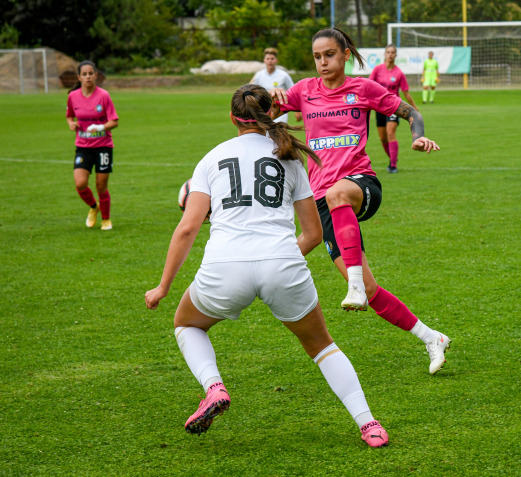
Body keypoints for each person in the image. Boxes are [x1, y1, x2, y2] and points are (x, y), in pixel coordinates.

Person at [144, 84, 389, 448]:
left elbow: (188, 228)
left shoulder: (211, 158)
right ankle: (369, 425)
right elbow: (312, 232)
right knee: (322, 347)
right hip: (283, 263)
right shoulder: (290, 158)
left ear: (232, 119)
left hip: (224, 266)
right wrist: (277, 259)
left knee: (186, 325)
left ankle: (214, 387)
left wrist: (162, 287)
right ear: (272, 114)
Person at [269, 28, 452, 375]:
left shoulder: (364, 89)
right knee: (370, 289)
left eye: (330, 55)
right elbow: (263, 107)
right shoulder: (305, 90)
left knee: (339, 192)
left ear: (345, 55)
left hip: (360, 185)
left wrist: (419, 136)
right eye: (317, 56)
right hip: (323, 201)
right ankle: (432, 337)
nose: (323, 62)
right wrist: (272, 95)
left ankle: (352, 285)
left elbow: (411, 112)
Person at [65, 60, 119, 230]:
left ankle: (106, 219)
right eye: (84, 74)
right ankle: (94, 207)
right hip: (83, 146)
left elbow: (114, 121)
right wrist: (71, 123)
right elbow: (69, 116)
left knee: (101, 185)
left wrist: (101, 127)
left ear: (96, 75)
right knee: (80, 184)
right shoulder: (73, 96)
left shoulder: (103, 96)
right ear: (79, 77)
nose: (88, 77)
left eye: (91, 73)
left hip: (103, 146)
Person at [368, 44, 418, 173]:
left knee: (390, 133)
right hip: (378, 107)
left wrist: (414, 108)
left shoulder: (399, 73)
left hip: (393, 107)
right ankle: (392, 158)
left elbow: (406, 92)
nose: (390, 55)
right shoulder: (377, 70)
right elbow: (368, 86)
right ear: (385, 54)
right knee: (383, 138)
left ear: (395, 55)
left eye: (392, 52)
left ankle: (393, 165)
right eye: (388, 52)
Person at [249, 47, 303, 124]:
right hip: (264, 109)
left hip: (280, 110)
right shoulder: (259, 75)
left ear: (276, 60)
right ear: (264, 60)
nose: (270, 61)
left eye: (272, 59)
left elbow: (294, 91)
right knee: (266, 134)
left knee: (278, 132)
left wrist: (297, 111)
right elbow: (250, 89)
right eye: (268, 59)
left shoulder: (283, 75)